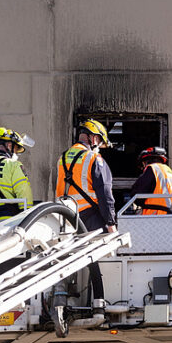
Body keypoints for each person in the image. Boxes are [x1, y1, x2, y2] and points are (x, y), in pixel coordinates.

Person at [52, 119, 116, 331]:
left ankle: (64, 297)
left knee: (69, 259)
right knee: (94, 258)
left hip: (64, 217)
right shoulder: (93, 158)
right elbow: (105, 194)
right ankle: (98, 303)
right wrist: (111, 224)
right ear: (95, 138)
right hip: (89, 217)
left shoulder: (62, 158)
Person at [129, 146, 172, 215]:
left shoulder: (152, 169)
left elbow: (137, 195)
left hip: (159, 214)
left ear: (144, 162)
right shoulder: (169, 172)